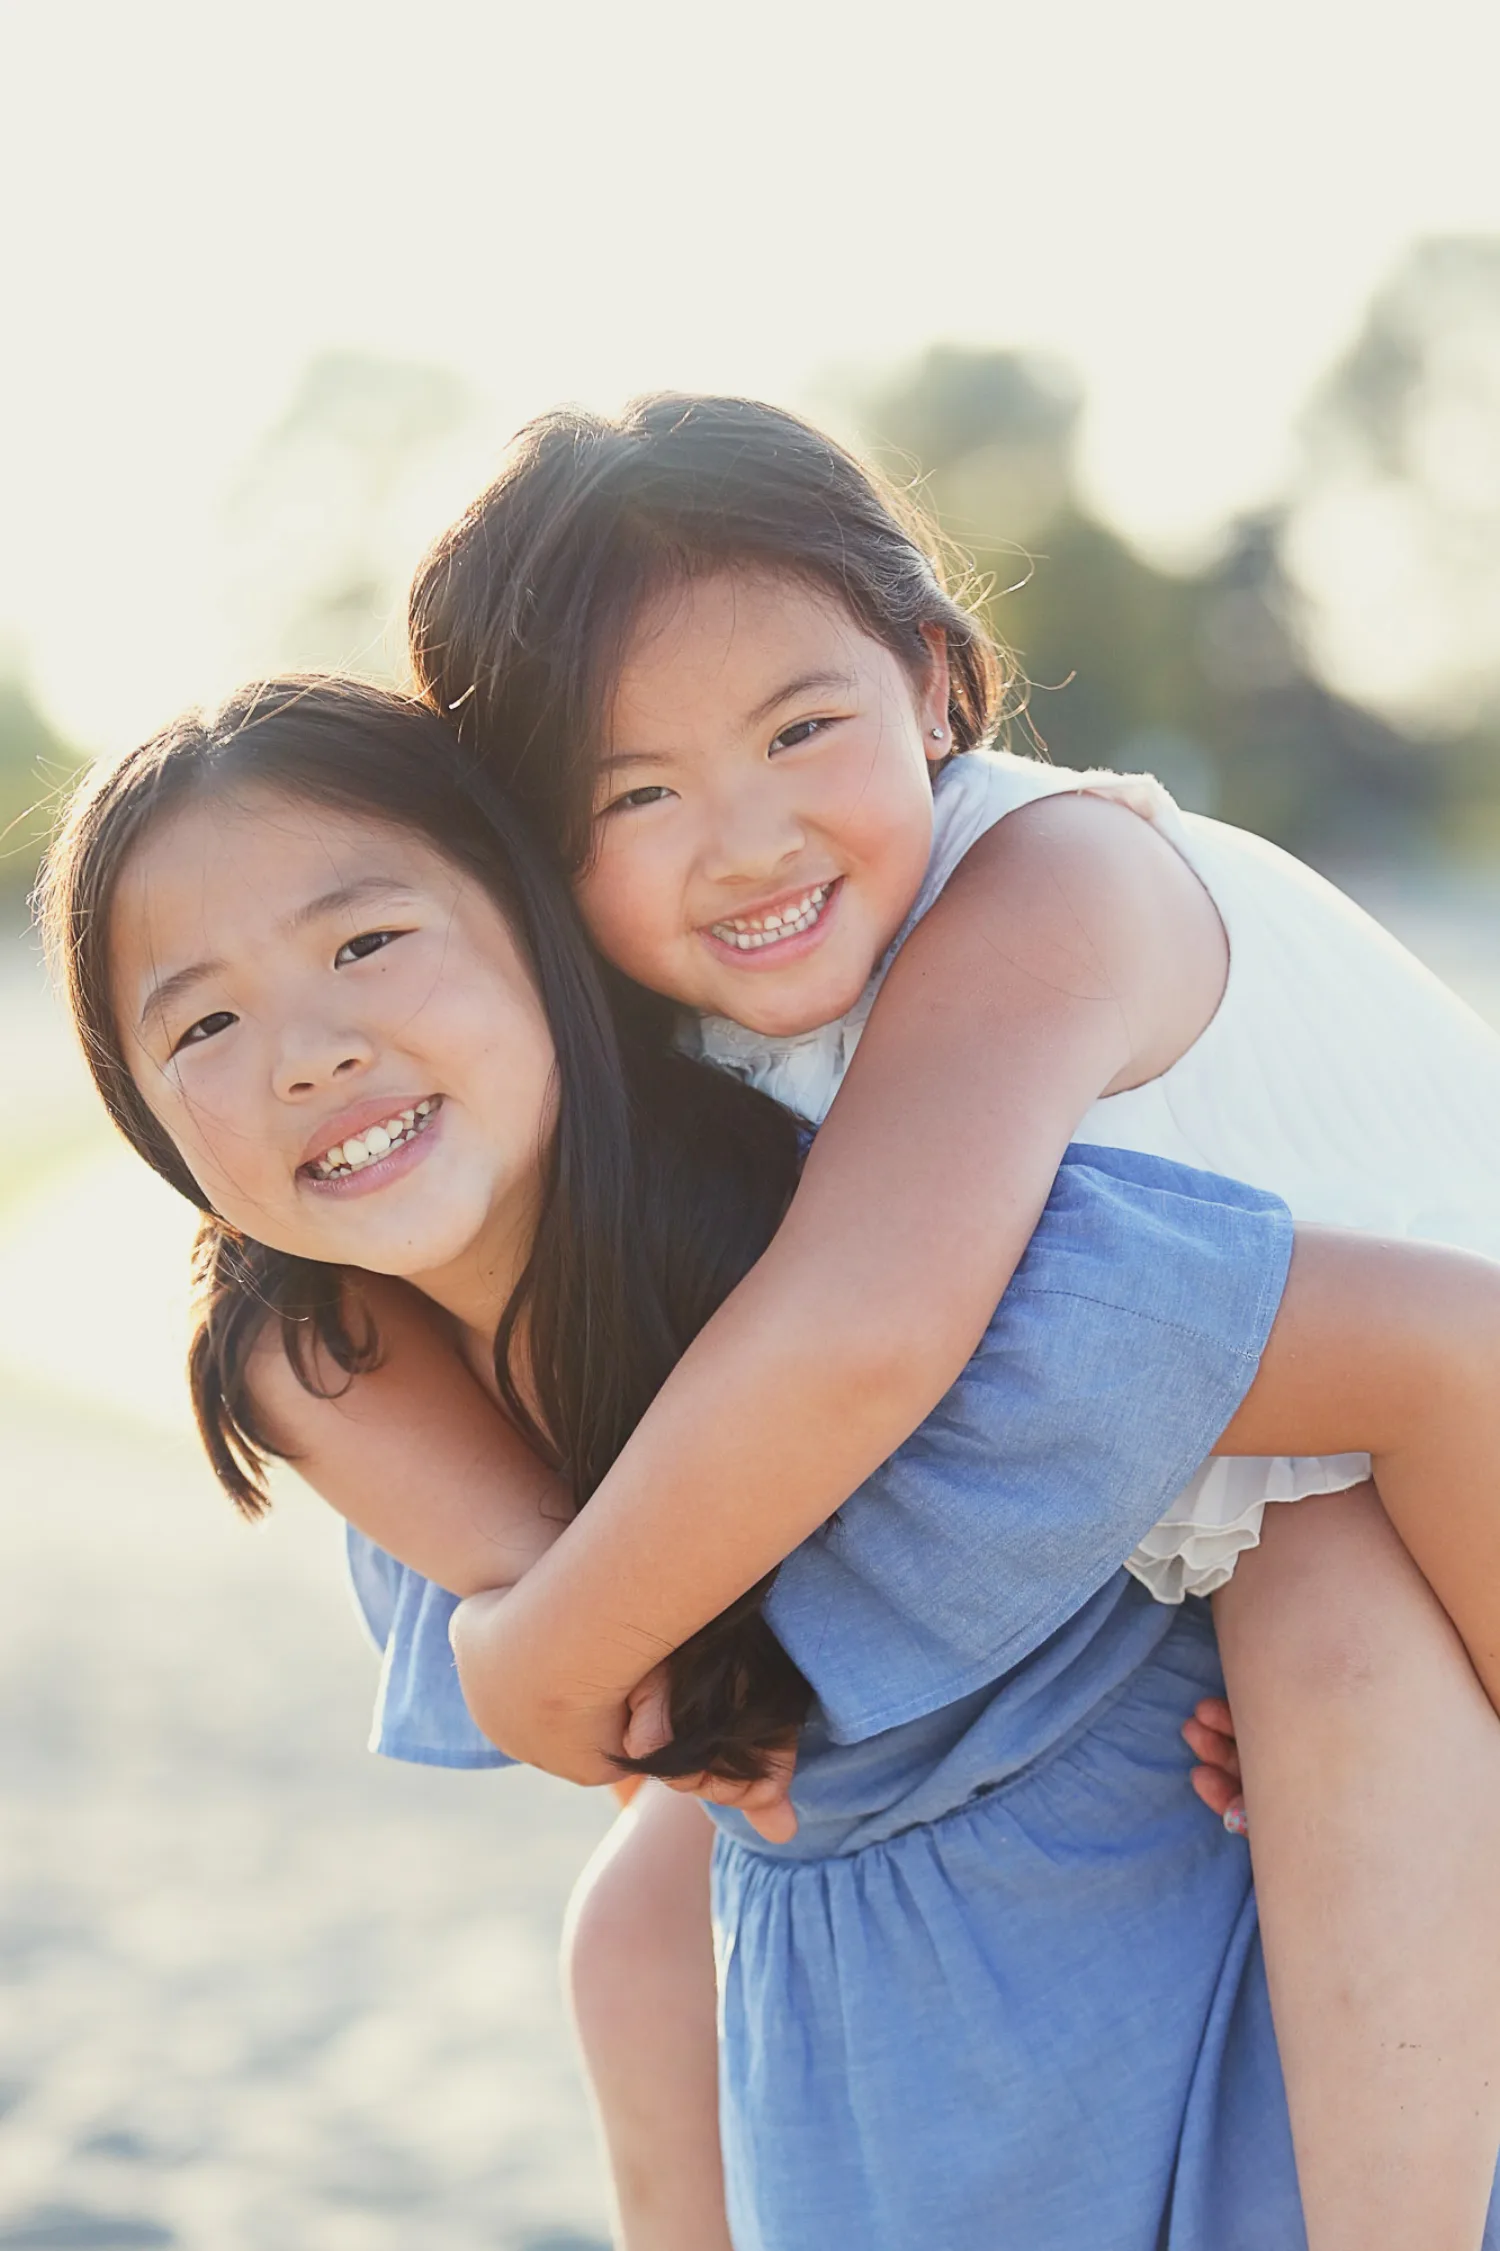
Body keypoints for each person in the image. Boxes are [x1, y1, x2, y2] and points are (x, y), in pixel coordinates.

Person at [39, 676, 1500, 2249]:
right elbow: (289, 1340)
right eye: (202, 1023)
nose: (308, 1052)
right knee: (626, 1935)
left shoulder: (897, 1266)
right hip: (851, 2034)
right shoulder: (355, 1365)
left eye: (366, 941)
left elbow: (1449, 1346)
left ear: (546, 932)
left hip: (1212, 1931)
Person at [394, 394, 1500, 2250]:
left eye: (801, 729)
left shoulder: (1044, 890)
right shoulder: (698, 1022)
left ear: (930, 676)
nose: (741, 839)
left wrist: (543, 1647)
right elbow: (335, 1306)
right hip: (1281, 1464)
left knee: (1323, 1609)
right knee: (644, 1911)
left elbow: (860, 1334)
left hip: (1441, 1452)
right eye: (630, 793)